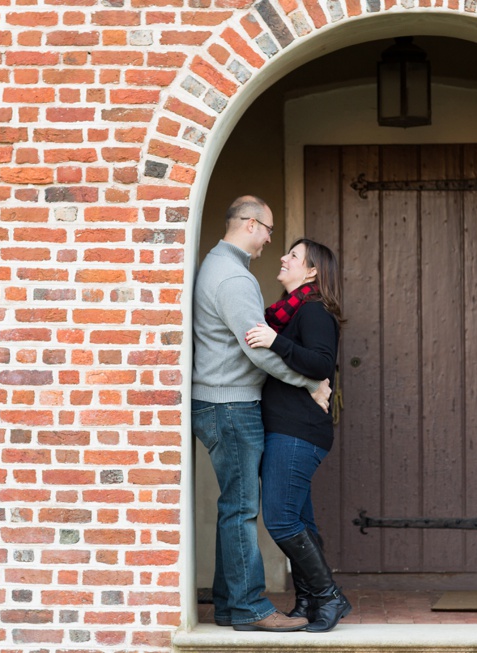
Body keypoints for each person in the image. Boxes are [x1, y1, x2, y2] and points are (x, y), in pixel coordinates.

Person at [192, 196, 331, 632]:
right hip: (230, 403)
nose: (273, 241)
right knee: (242, 508)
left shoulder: (222, 267)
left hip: (222, 402)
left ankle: (231, 604)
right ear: (250, 224)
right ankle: (251, 607)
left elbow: (268, 341)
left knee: (235, 506)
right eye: (270, 231)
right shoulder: (234, 277)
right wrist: (311, 383)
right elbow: (260, 350)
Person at [245, 237, 352, 632]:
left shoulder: (314, 311)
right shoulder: (287, 313)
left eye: (293, 255)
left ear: (312, 271)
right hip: (287, 429)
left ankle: (329, 597)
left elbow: (322, 363)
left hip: (298, 431)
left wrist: (276, 342)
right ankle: (308, 601)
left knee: (281, 520)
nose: (283, 257)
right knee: (301, 522)